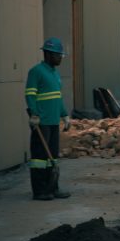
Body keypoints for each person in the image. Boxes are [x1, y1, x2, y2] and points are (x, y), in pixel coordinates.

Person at [24, 37, 71, 200]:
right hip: (41, 122)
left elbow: (57, 97)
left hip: (52, 121)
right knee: (39, 158)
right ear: (49, 54)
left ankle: (53, 187)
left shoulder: (55, 74)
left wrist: (64, 114)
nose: (60, 58)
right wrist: (34, 114)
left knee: (52, 157)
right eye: (58, 55)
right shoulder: (36, 72)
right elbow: (30, 94)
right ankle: (40, 191)